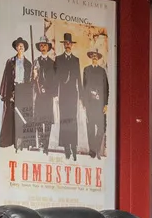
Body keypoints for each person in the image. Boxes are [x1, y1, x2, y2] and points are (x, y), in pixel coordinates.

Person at [0, 37, 33, 151]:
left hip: (23, 90)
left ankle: (21, 143)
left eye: (22, 45)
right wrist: (7, 93)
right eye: (18, 45)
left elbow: (30, 81)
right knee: (10, 115)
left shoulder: (28, 64)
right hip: (12, 89)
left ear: (24, 48)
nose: (20, 47)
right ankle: (8, 141)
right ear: (16, 48)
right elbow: (6, 77)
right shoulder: (10, 62)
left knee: (22, 116)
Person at [54, 31, 81, 160]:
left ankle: (74, 147)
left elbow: (79, 79)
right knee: (64, 120)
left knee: (73, 120)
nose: (68, 45)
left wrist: (81, 96)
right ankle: (66, 148)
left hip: (73, 94)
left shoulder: (76, 60)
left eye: (69, 43)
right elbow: (55, 77)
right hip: (63, 94)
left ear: (72, 45)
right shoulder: (58, 59)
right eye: (66, 43)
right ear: (64, 45)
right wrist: (55, 95)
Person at [80, 46, 108, 159]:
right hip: (90, 104)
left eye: (96, 56)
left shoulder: (102, 71)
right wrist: (85, 103)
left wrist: (106, 104)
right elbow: (84, 87)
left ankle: (96, 148)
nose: (94, 58)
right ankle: (92, 152)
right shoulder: (86, 70)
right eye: (93, 56)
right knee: (90, 128)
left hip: (100, 105)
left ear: (98, 58)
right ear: (91, 57)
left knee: (101, 128)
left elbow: (106, 88)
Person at [30, 38, 56, 152]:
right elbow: (31, 80)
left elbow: (54, 80)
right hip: (39, 96)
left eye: (45, 45)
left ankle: (46, 145)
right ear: (39, 48)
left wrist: (48, 90)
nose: (43, 47)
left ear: (48, 47)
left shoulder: (52, 63)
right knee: (38, 120)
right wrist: (34, 75)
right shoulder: (35, 62)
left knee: (48, 121)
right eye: (41, 45)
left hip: (48, 96)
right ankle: (41, 142)